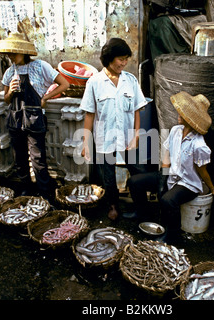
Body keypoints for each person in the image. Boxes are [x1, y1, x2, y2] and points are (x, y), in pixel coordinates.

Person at [128, 91, 214, 242]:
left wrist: (212, 188)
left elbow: (202, 171)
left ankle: (173, 234)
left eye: (182, 113)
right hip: (171, 174)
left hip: (188, 183)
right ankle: (142, 213)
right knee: (134, 181)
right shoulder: (175, 131)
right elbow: (167, 155)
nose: (178, 114)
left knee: (167, 200)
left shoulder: (199, 145)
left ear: (190, 120)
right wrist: (162, 177)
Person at [0, 32, 69, 200]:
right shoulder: (9, 72)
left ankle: (45, 193)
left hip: (35, 119)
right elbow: (6, 100)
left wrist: (45, 98)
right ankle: (26, 189)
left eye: (14, 53)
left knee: (38, 159)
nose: (11, 56)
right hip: (15, 119)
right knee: (19, 158)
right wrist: (11, 91)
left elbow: (65, 84)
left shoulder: (41, 66)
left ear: (24, 51)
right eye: (9, 53)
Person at [80, 38, 148, 221]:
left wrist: (136, 135)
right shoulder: (94, 83)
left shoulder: (130, 80)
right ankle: (113, 206)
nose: (124, 63)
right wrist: (86, 142)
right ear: (109, 58)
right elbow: (89, 115)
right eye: (121, 59)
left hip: (127, 137)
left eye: (126, 59)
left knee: (137, 172)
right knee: (108, 177)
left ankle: (141, 208)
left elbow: (136, 110)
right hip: (105, 138)